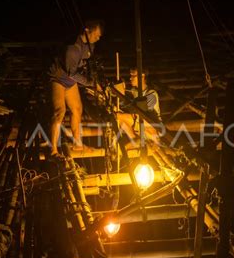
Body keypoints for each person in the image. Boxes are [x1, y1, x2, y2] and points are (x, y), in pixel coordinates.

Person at [48, 20, 104, 157]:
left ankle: (77, 143)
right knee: (60, 111)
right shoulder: (73, 48)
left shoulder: (90, 45)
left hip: (70, 80)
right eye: (96, 35)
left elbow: (86, 63)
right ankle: (53, 150)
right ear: (87, 31)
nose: (98, 38)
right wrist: (89, 82)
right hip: (58, 78)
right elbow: (71, 73)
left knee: (77, 109)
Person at [115, 68, 162, 144]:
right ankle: (134, 139)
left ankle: (141, 140)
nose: (130, 78)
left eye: (133, 75)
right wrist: (121, 93)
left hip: (151, 125)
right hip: (139, 123)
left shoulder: (151, 94)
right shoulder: (134, 91)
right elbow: (127, 106)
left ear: (142, 76)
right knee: (118, 115)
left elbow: (148, 118)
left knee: (118, 116)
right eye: (130, 75)